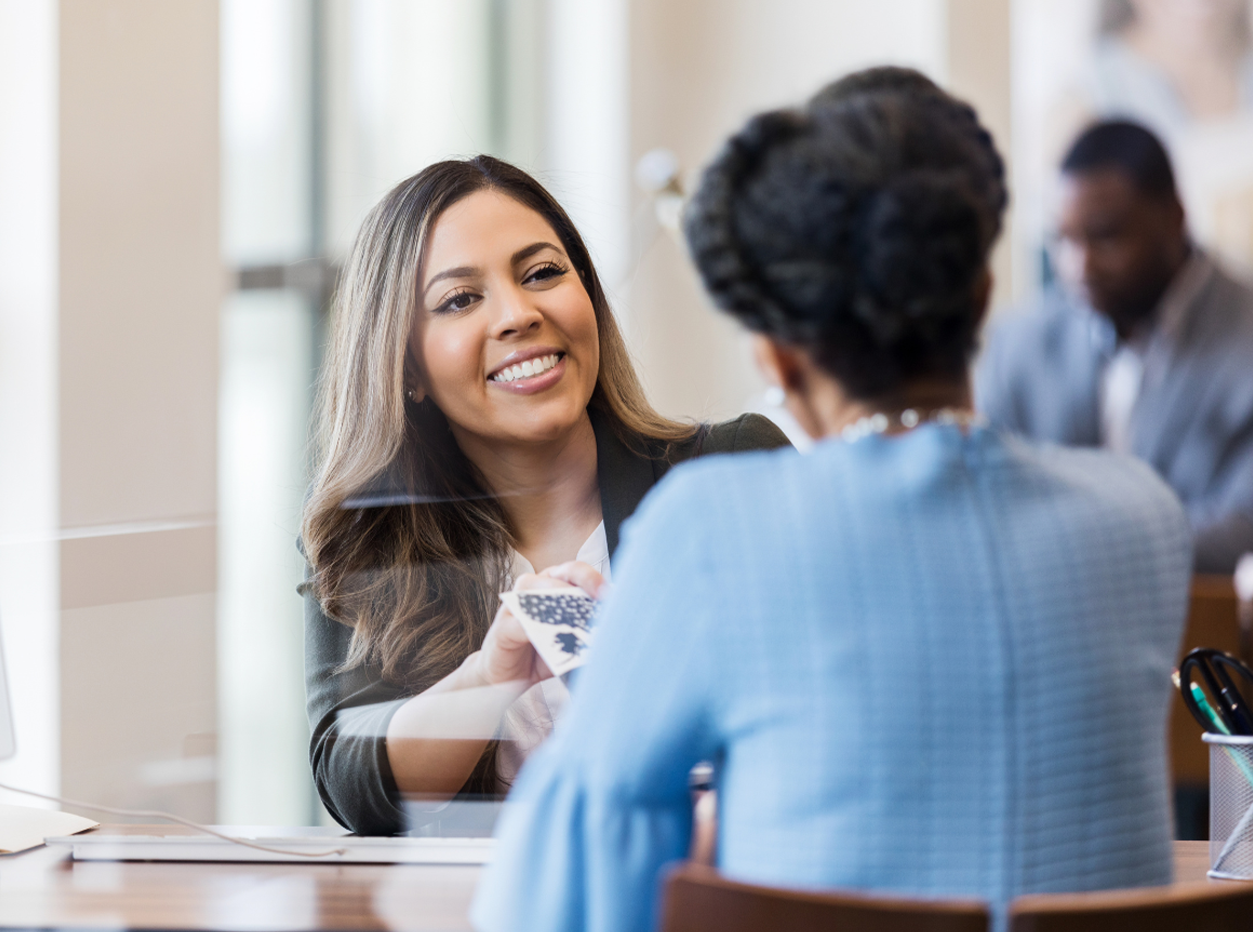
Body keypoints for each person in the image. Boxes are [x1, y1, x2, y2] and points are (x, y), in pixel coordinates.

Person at [472, 70, 1191, 932]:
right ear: (981, 297)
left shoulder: (713, 526)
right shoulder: (1144, 518)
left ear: (774, 358)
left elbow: (574, 888)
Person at [299, 156, 787, 836]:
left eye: (542, 274)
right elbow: (352, 785)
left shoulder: (732, 470)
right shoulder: (370, 538)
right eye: (460, 299)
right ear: (408, 366)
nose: (519, 314)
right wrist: (491, 674)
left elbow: (832, 716)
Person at [977, 120, 1253, 572]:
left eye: (1105, 236)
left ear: (1174, 217)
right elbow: (989, 502)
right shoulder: (1018, 347)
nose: (1078, 266)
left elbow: (1243, 526)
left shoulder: (1244, 334)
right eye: (1063, 240)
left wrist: (1077, 547)